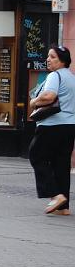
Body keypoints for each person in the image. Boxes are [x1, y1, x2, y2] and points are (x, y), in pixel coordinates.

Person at [28, 45, 75, 216]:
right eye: (48, 56)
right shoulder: (71, 78)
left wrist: (34, 102)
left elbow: (49, 96)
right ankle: (63, 207)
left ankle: (55, 195)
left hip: (51, 125)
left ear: (62, 60)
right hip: (69, 126)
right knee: (61, 164)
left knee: (36, 155)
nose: (48, 59)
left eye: (53, 57)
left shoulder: (55, 76)